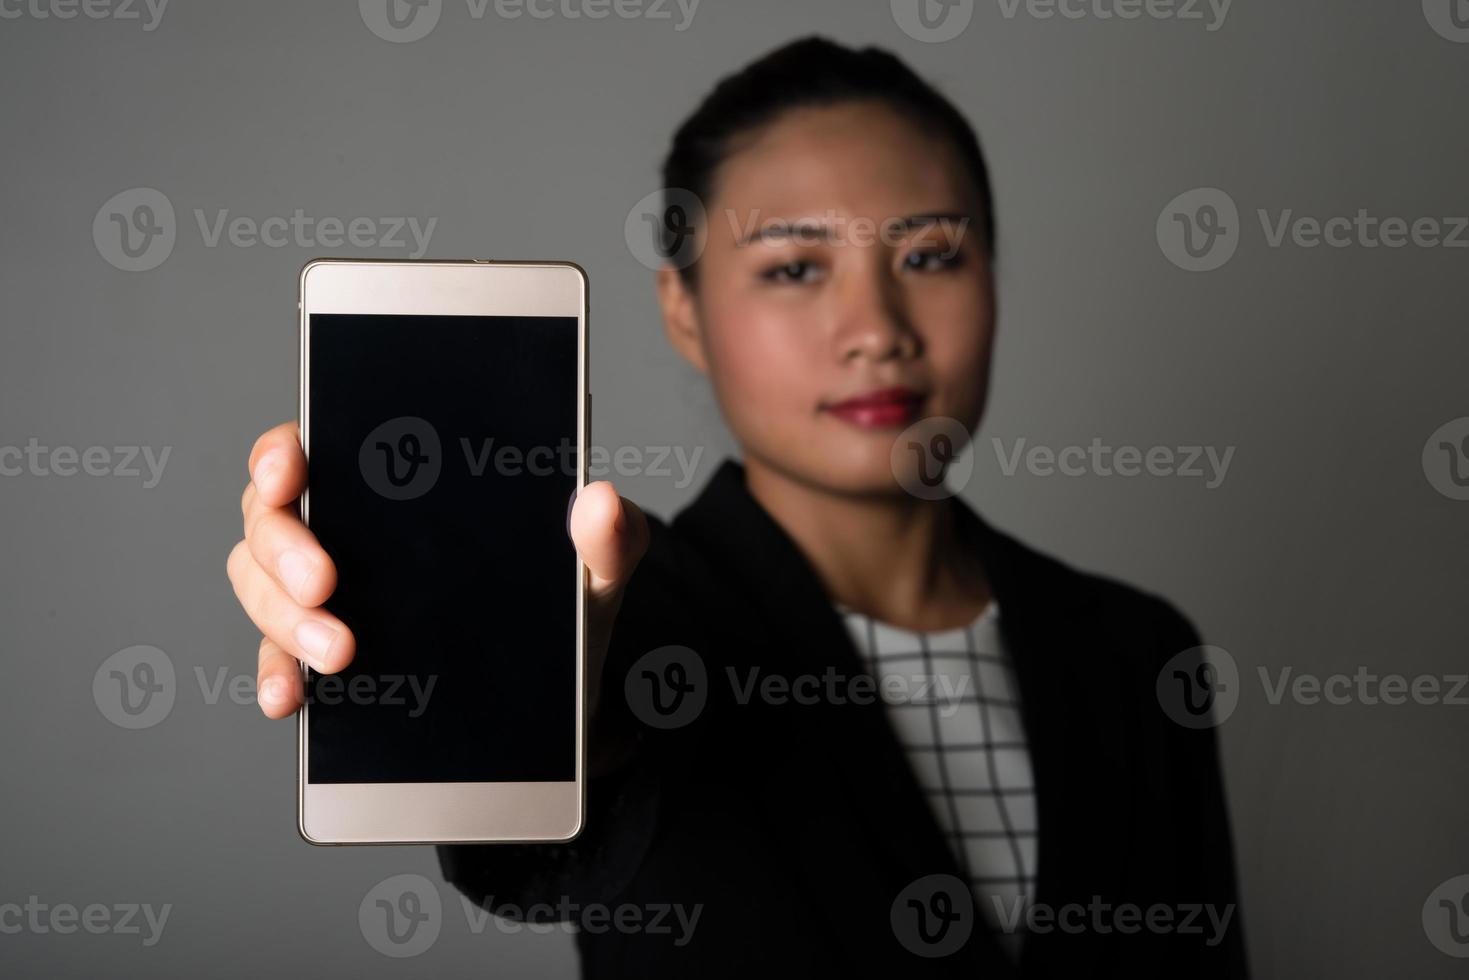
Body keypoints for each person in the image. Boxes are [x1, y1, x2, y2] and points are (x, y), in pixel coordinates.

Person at [227, 36, 1247, 978]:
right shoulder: (637, 616)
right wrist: (522, 682)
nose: (874, 329)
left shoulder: (1136, 647)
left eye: (929, 254)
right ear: (683, 307)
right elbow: (591, 765)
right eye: (794, 267)